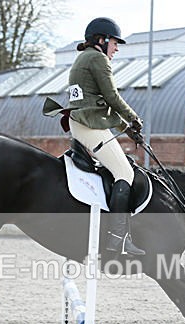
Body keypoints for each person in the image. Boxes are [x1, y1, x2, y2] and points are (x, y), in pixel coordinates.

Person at [67, 17, 145, 256]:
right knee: (125, 172)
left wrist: (125, 128)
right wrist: (133, 119)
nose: (116, 48)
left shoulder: (83, 58)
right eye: (114, 42)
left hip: (85, 122)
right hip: (89, 125)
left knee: (118, 168)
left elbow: (100, 102)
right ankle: (116, 240)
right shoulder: (98, 59)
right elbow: (112, 96)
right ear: (102, 40)